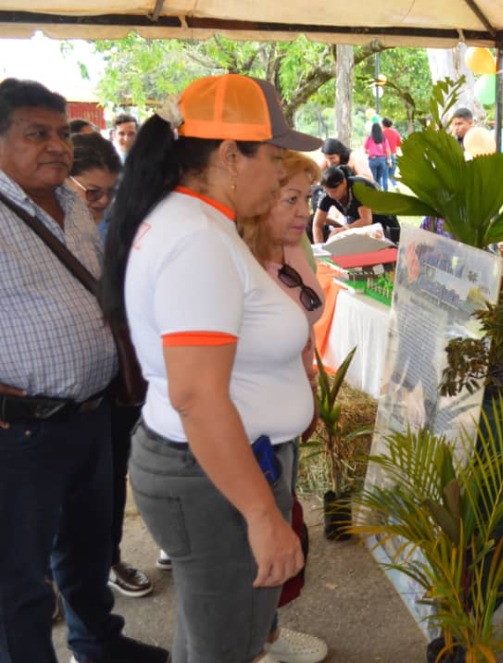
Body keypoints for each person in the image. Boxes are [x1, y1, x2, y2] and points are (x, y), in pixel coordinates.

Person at [99, 73, 321, 662]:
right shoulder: (196, 238)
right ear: (229, 154)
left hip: (213, 467)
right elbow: (198, 397)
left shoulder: (193, 222)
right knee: (226, 647)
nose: (279, 174)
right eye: (272, 157)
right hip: (217, 478)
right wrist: (261, 514)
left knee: (207, 638)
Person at [0, 78, 167, 663]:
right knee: (17, 580)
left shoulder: (73, 201)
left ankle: (99, 646)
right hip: (19, 429)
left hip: (93, 413)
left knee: (87, 550)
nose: (56, 145)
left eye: (59, 131)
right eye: (35, 133)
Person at [236, 151, 328, 663]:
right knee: (256, 541)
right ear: (257, 201)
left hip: (286, 420)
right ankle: (250, 645)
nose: (302, 212)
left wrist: (309, 387)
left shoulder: (296, 251)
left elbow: (303, 330)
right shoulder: (236, 262)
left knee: (278, 528)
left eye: (306, 199)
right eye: (290, 199)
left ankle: (267, 633)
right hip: (252, 433)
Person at [68, 132, 153, 600]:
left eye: (110, 192)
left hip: (113, 383)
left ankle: (108, 559)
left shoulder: (113, 225)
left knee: (109, 481)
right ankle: (56, 581)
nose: (101, 202)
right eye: (92, 192)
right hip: (46, 405)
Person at [312, 165, 400, 243]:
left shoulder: (359, 187)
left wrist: (344, 229)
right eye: (327, 191)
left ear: (344, 182)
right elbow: (317, 225)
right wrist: (320, 248)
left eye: (334, 191)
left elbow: (366, 220)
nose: (331, 195)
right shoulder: (327, 195)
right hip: (357, 221)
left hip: (383, 220)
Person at [364, 121, 389, 191]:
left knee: (373, 179)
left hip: (373, 160)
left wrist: (369, 153)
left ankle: (374, 194)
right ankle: (379, 193)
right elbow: (387, 149)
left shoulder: (370, 138)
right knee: (379, 179)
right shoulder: (383, 138)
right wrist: (388, 160)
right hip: (382, 160)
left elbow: (365, 149)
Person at [381, 117, 402, 190]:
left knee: (384, 176)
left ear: (383, 124)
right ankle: (396, 187)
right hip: (393, 155)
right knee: (391, 175)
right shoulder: (395, 132)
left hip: (384, 156)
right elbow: (399, 144)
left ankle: (385, 192)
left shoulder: (381, 133)